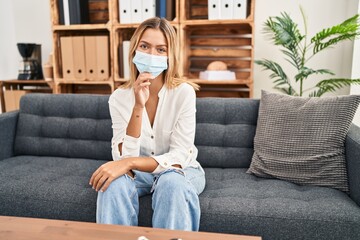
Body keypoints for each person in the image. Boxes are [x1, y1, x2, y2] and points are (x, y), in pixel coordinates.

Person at [89, 17, 206, 231]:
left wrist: (130, 164)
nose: (152, 55)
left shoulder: (183, 93)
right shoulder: (118, 98)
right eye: (145, 46)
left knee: (171, 183)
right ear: (134, 50)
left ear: (170, 56)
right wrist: (138, 107)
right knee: (112, 185)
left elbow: (179, 155)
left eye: (161, 49)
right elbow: (123, 158)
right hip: (139, 173)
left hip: (181, 171)